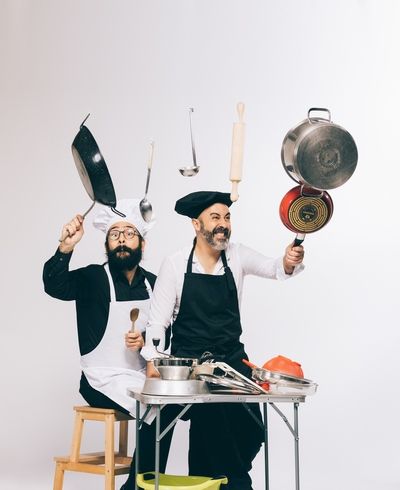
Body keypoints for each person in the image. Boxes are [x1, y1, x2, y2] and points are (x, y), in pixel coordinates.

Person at [141, 191, 305, 490]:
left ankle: (224, 480)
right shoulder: (175, 263)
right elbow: (158, 322)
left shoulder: (237, 255)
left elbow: (274, 267)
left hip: (231, 360)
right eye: (215, 217)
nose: (223, 224)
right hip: (190, 363)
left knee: (251, 428)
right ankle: (219, 483)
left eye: (227, 218)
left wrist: (288, 260)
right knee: (169, 420)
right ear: (196, 224)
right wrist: (153, 359)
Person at [42, 198, 175, 490]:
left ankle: (144, 484)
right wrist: (65, 247)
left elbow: (169, 330)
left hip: (141, 376)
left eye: (129, 233)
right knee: (155, 408)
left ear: (142, 244)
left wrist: (146, 344)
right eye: (114, 234)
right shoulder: (92, 278)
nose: (121, 240)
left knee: (171, 405)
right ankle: (139, 487)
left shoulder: (155, 284)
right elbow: (54, 285)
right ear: (107, 244)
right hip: (99, 379)